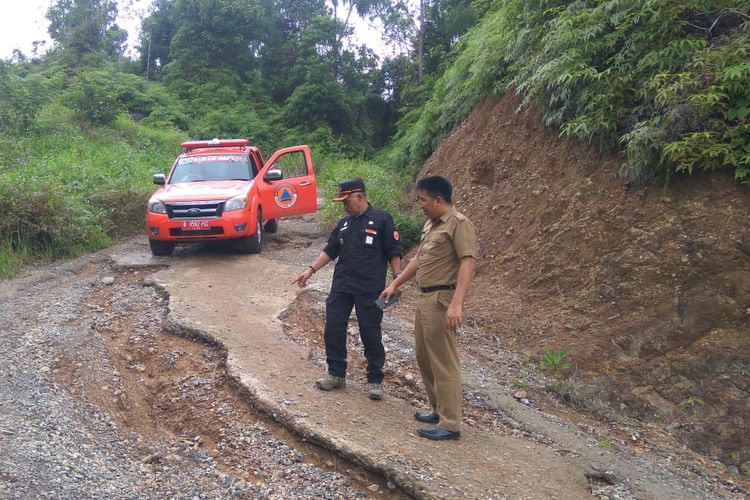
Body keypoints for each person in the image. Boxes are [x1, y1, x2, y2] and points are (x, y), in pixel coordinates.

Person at [380, 176, 476, 441]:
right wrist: (396, 283)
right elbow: (419, 259)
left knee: (444, 362)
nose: (420, 204)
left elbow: (468, 263)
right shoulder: (432, 225)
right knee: (425, 357)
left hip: (442, 300)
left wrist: (457, 303)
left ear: (438, 200)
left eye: (423, 200)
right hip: (424, 300)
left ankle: (450, 423)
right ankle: (437, 410)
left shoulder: (459, 224)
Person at [293, 178, 401, 400]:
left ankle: (374, 380)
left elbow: (393, 251)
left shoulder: (381, 219)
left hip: (369, 287)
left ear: (360, 196)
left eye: (347, 200)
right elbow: (331, 250)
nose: (344, 206)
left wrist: (396, 281)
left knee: (370, 332)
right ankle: (336, 374)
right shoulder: (344, 223)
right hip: (342, 285)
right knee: (333, 328)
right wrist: (310, 270)